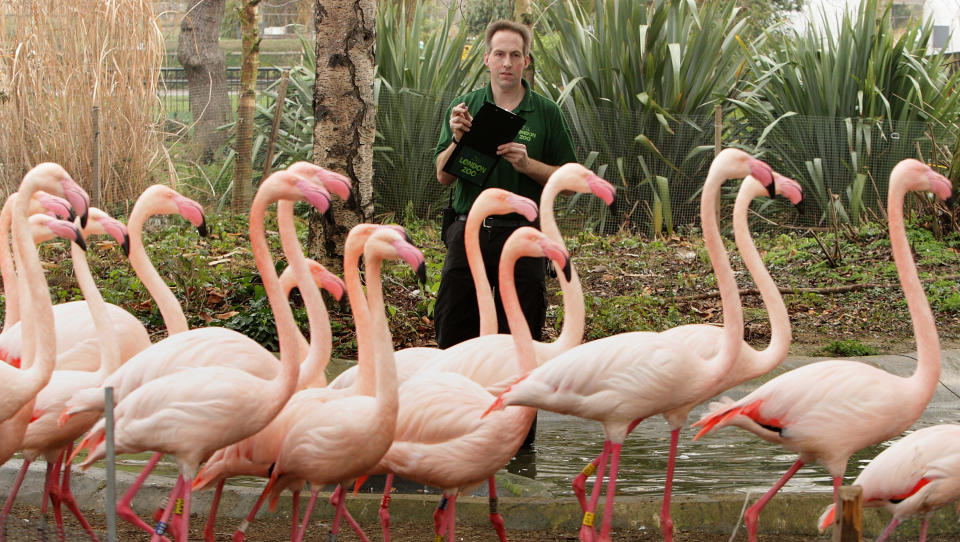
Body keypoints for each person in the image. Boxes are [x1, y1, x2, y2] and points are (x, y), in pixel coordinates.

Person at [433, 19, 577, 351]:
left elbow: (568, 181)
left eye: (515, 55)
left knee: (521, 337)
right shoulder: (466, 108)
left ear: (527, 60)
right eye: (499, 54)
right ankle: (460, 401)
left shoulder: (546, 113)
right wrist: (458, 140)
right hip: (468, 229)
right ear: (487, 58)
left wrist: (529, 166)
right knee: (455, 332)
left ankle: (517, 401)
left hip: (523, 235)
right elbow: (443, 175)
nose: (507, 63)